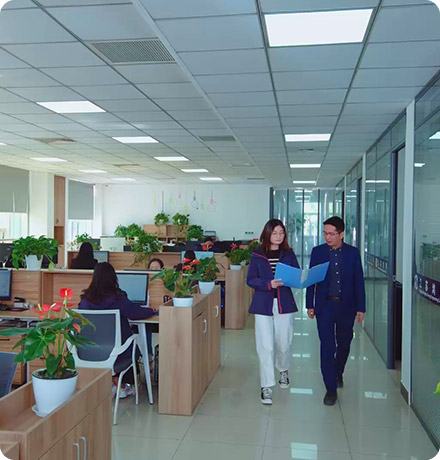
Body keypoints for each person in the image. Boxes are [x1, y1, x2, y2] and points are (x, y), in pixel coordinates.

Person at [306, 216, 366, 406]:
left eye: (332, 234)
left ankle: (338, 372)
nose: (328, 237)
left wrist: (361, 307)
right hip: (325, 306)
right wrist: (309, 303)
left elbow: (359, 281)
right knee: (327, 347)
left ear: (341, 234)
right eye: (325, 233)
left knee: (344, 344)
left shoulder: (353, 253)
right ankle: (330, 389)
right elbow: (311, 279)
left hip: (346, 307)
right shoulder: (318, 252)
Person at [78, 262, 156, 398]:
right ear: (113, 279)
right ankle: (121, 383)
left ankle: (112, 381)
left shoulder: (85, 301)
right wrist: (151, 311)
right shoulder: (118, 299)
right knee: (130, 341)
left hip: (90, 351)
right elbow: (136, 313)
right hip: (117, 352)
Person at [247, 219, 300, 405]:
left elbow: (296, 275)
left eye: (281, 233)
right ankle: (266, 386)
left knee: (284, 342)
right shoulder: (258, 254)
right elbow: (250, 279)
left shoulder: (288, 254)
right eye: (275, 233)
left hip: (284, 303)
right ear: (267, 234)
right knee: (265, 346)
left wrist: (295, 279)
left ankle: (283, 369)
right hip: (263, 304)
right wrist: (268, 284)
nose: (278, 236)